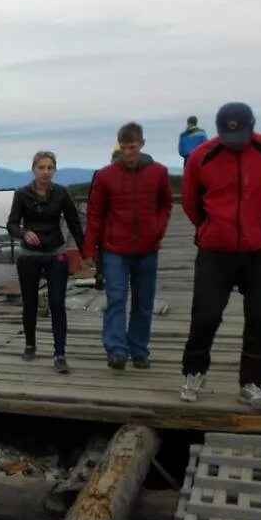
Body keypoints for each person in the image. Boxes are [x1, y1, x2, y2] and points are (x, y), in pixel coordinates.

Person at [179, 102, 261, 408]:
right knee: (205, 315)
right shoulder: (202, 156)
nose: (236, 141)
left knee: (260, 317)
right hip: (216, 249)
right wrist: (211, 227)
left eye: (241, 134)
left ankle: (252, 383)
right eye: (229, 136)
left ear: (252, 126)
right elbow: (190, 202)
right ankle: (194, 371)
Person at [82, 123, 173, 370]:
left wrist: (158, 228)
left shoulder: (159, 173)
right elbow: (95, 214)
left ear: (142, 144)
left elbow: (166, 204)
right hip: (115, 249)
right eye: (124, 148)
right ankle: (116, 350)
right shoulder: (106, 176)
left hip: (147, 248)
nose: (128, 152)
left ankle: (139, 350)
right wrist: (90, 250)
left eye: (132, 147)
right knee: (116, 299)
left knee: (144, 302)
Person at [6, 151, 84, 374]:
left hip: (55, 253)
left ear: (54, 170)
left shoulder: (61, 193)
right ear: (34, 169)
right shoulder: (22, 194)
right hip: (29, 255)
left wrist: (86, 252)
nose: (46, 172)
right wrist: (24, 233)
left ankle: (60, 354)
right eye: (41, 168)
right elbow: (11, 224)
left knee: (57, 303)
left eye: (50, 168)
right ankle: (30, 344)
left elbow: (74, 222)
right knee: (29, 303)